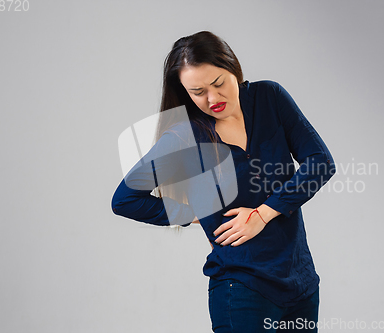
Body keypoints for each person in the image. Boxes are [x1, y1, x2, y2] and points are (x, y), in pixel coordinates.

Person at [111, 31, 336, 332]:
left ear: (233, 68)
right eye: (198, 91)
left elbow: (321, 162)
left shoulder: (269, 98)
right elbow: (125, 199)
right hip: (242, 290)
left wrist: (262, 214)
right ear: (184, 93)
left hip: (301, 284)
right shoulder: (184, 138)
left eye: (219, 83)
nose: (213, 98)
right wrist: (195, 214)